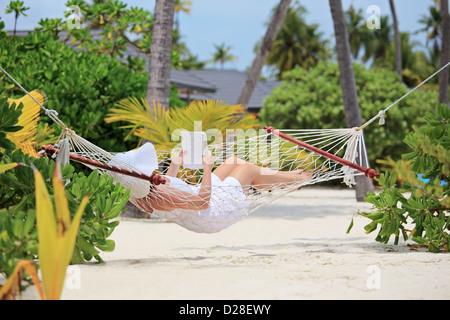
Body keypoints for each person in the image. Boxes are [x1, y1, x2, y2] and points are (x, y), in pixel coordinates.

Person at [129, 149, 312, 220]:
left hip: (201, 197)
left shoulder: (144, 189)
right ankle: (292, 180)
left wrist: (175, 163)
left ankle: (283, 180)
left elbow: (169, 189)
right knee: (247, 169)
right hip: (211, 211)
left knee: (233, 161)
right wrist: (207, 168)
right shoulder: (155, 193)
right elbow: (202, 203)